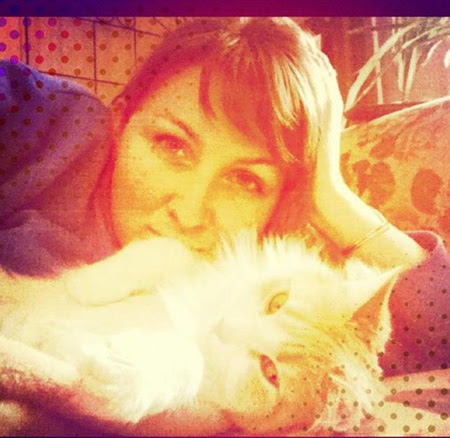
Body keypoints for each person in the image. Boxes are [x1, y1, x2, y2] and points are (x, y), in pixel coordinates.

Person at [0, 18, 447, 377]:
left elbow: (436, 339)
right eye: (172, 145)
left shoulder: (258, 289)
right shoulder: (56, 128)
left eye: (246, 181)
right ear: (121, 121)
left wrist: (331, 194)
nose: (190, 213)